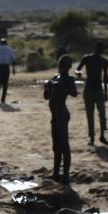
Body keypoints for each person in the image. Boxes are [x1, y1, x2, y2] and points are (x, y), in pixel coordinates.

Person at [44, 55, 78, 185]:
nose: (63, 67)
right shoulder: (54, 78)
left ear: (69, 67)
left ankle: (66, 175)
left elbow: (74, 93)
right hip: (55, 116)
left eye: (65, 65)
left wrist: (61, 86)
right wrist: (47, 87)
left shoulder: (69, 79)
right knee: (56, 146)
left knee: (64, 146)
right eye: (62, 64)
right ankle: (56, 174)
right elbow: (46, 97)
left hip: (62, 115)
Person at [76, 41, 108, 145]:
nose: (100, 51)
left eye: (102, 49)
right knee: (90, 115)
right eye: (99, 49)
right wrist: (79, 74)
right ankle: (92, 137)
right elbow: (78, 69)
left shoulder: (104, 61)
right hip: (89, 89)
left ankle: (102, 136)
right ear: (95, 48)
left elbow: (105, 76)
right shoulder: (87, 58)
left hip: (98, 89)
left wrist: (105, 92)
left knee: (102, 114)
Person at [0, 38, 16, 103]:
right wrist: (13, 69)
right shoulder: (10, 49)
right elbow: (13, 60)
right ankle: (3, 99)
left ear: (1, 43)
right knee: (5, 84)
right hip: (6, 68)